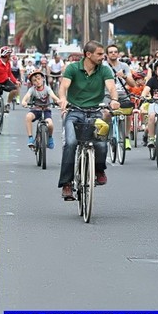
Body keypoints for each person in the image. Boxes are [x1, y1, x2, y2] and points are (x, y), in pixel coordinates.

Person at [58, 41, 120, 200]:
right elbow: (63, 87)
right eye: (99, 54)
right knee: (71, 143)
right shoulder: (72, 68)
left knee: (101, 143)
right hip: (74, 112)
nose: (103, 56)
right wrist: (63, 99)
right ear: (88, 54)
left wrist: (113, 100)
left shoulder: (104, 70)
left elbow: (111, 87)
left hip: (95, 113)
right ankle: (67, 183)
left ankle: (99, 170)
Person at [104, 44, 136, 149]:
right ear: (107, 54)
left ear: (118, 54)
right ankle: (105, 135)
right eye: (111, 52)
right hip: (106, 94)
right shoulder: (102, 66)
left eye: (115, 52)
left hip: (122, 93)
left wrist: (124, 76)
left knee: (128, 113)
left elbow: (133, 84)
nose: (113, 53)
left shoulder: (124, 66)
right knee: (106, 114)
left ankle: (126, 137)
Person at [21, 70, 61, 149]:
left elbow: (53, 95)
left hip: (46, 110)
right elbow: (27, 96)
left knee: (50, 124)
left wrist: (58, 100)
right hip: (35, 110)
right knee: (28, 116)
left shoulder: (47, 88)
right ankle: (30, 138)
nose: (37, 81)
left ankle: (50, 138)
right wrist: (23, 102)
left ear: (43, 78)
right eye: (34, 81)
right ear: (32, 83)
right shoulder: (32, 89)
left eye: (39, 79)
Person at [0, 46, 20, 113]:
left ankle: (7, 104)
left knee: (15, 89)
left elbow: (10, 74)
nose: (10, 56)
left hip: (5, 81)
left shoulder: (8, 63)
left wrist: (15, 81)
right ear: (6, 55)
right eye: (9, 54)